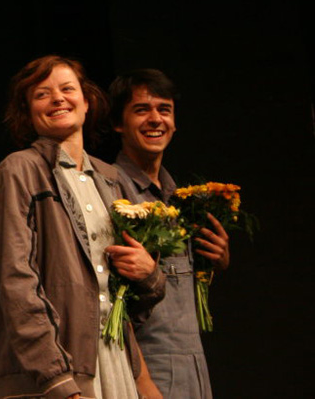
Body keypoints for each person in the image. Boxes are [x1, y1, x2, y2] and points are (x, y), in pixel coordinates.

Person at [0, 55, 166, 399]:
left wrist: (149, 276)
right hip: (54, 371)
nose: (57, 98)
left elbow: (125, 302)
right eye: (42, 94)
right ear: (28, 111)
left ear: (86, 100)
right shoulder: (19, 171)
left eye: (67, 89)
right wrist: (58, 381)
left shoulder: (110, 180)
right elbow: (16, 283)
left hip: (114, 363)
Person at [110, 69, 229, 398]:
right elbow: (111, 297)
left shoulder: (177, 196)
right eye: (141, 109)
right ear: (118, 123)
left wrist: (215, 262)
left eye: (164, 110)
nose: (155, 119)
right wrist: (143, 381)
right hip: (150, 364)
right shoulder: (113, 189)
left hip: (193, 363)